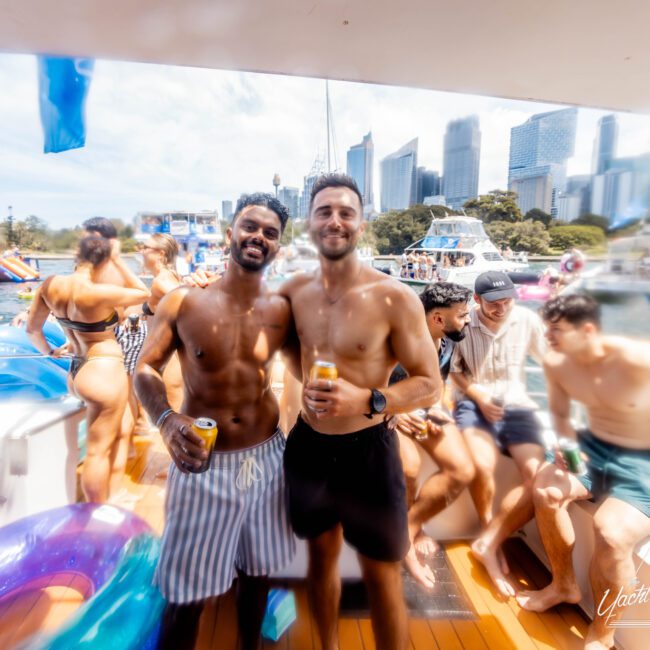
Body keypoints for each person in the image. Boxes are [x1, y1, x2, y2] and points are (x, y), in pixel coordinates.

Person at [280, 173, 441, 650]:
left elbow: (430, 383)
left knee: (382, 574)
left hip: (368, 452)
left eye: (346, 212)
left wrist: (370, 400)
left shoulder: (394, 296)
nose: (335, 221)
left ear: (362, 224)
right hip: (309, 447)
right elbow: (284, 344)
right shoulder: (292, 292)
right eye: (324, 211)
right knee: (320, 559)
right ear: (309, 224)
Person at [134, 194, 296, 650]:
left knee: (258, 573)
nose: (258, 237)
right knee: (186, 595)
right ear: (230, 233)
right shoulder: (184, 302)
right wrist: (165, 419)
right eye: (250, 227)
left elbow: (336, 349)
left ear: (278, 247)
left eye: (270, 233)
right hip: (203, 465)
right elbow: (144, 368)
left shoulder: (284, 309)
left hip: (267, 461)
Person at [516, 294, 650, 649]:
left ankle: (601, 637)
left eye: (556, 331)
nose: (549, 339)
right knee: (546, 489)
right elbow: (560, 415)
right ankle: (564, 585)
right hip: (594, 448)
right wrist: (565, 443)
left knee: (610, 532)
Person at [26, 236, 149, 502]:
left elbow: (32, 330)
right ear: (104, 260)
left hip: (76, 369)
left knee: (113, 434)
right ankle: (98, 512)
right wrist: (118, 260)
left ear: (76, 255)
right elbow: (143, 292)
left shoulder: (50, 285)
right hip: (103, 369)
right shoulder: (99, 292)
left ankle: (112, 495)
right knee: (98, 451)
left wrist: (50, 352)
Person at [449, 271, 547, 598]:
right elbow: (456, 372)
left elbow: (552, 360)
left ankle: (490, 540)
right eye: (493, 303)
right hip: (474, 405)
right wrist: (479, 397)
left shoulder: (527, 321)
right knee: (481, 466)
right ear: (476, 300)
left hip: (518, 407)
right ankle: (488, 535)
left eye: (507, 301)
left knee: (537, 477)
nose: (501, 308)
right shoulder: (461, 326)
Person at [390, 282, 476, 589]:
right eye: (463, 315)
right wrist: (396, 413)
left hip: (425, 413)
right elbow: (368, 382)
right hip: (388, 415)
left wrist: (439, 408)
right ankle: (408, 541)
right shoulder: (397, 340)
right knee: (409, 467)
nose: (468, 320)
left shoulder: (448, 342)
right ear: (438, 318)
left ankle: (410, 529)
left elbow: (438, 386)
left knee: (462, 469)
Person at [139, 233, 183, 411]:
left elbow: (187, 302)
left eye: (145, 248)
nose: (141, 252)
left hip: (173, 354)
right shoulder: (170, 276)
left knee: (176, 410)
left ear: (161, 254)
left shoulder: (161, 281)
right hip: (173, 352)